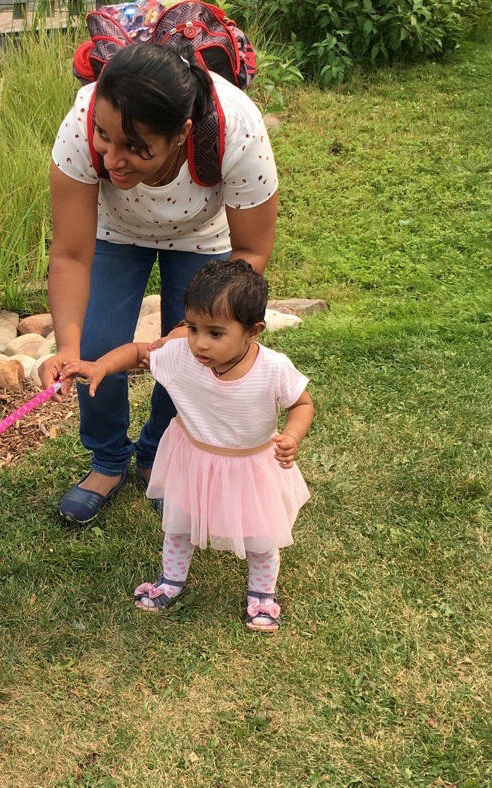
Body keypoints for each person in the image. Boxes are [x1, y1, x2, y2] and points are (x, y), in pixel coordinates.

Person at [40, 43, 278, 524]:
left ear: (183, 134)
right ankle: (107, 462)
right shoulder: (81, 122)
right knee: (95, 343)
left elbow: (251, 251)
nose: (112, 160)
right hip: (114, 231)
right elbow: (69, 253)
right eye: (105, 138)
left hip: (204, 238)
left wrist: (192, 329)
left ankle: (157, 454)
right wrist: (67, 346)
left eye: (136, 147)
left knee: (191, 353)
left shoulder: (239, 133)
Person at [61, 259, 313, 631]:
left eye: (215, 333)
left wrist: (291, 436)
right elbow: (136, 352)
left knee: (260, 533)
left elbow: (302, 403)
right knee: (179, 524)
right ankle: (171, 580)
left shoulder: (274, 369)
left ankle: (262, 595)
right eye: (192, 328)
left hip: (250, 464)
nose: (198, 343)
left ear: (252, 331)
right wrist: (100, 367)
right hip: (192, 457)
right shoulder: (182, 357)